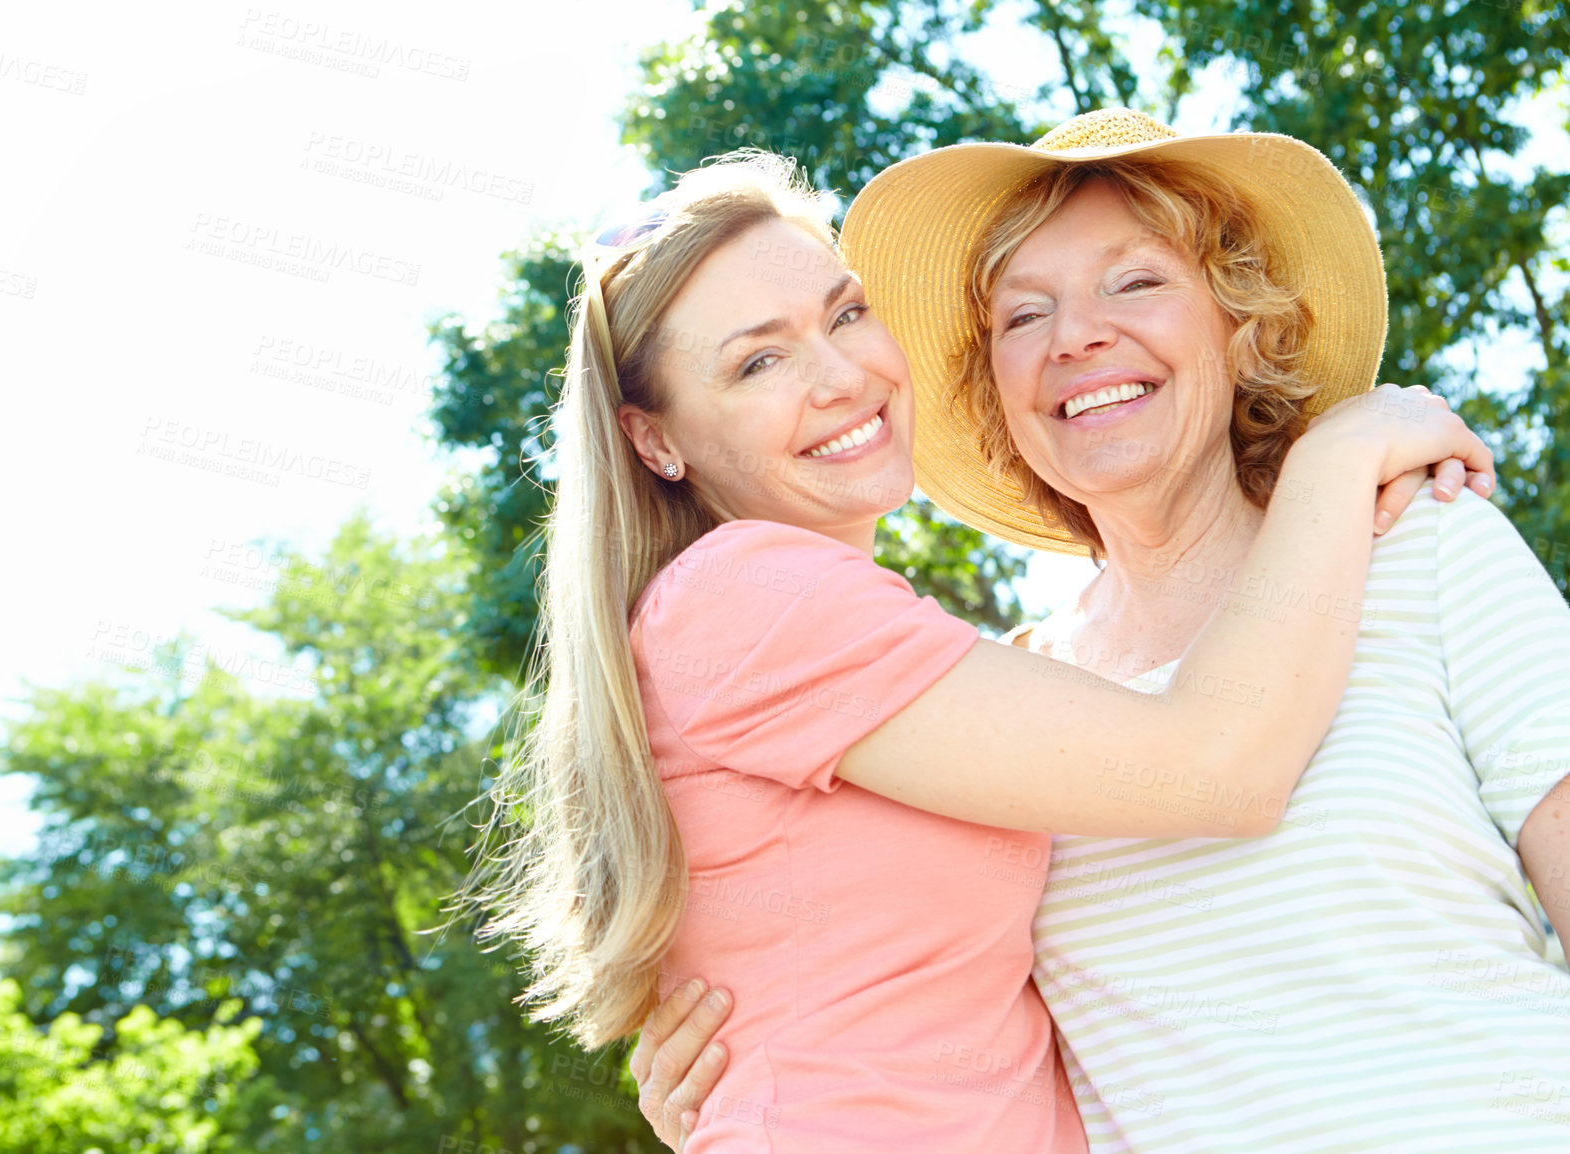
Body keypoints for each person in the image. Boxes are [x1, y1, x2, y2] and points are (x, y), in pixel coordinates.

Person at [475, 147, 1491, 1152]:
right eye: (758, 361)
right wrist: (1341, 450)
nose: (839, 375)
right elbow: (1219, 766)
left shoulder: (887, 643)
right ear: (654, 440)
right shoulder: (742, 593)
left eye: (844, 313)